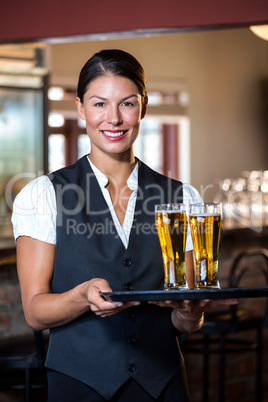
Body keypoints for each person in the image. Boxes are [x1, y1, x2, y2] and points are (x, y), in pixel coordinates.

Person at [11, 49, 237, 402]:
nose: (113, 119)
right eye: (99, 104)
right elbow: (35, 312)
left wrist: (191, 313)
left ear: (143, 107)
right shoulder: (43, 196)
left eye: (127, 104)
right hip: (79, 386)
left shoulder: (182, 198)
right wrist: (82, 297)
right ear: (80, 107)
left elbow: (185, 321)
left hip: (162, 385)